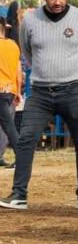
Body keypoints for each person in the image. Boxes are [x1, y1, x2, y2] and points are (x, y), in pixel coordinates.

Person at [0, 0, 78, 211]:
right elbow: (27, 53)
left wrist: (72, 68)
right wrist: (47, 70)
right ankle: (18, 195)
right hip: (40, 93)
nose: (57, 2)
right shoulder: (30, 21)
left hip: (74, 89)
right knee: (25, 140)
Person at [0, 22, 22, 169]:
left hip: (1, 89)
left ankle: (22, 157)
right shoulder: (13, 46)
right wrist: (18, 91)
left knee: (8, 127)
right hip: (9, 90)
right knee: (7, 125)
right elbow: (18, 70)